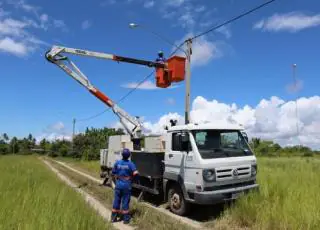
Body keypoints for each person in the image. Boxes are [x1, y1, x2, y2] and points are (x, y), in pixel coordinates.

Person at [110, 148, 139, 224]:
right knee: (125, 201)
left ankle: (113, 218)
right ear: (129, 155)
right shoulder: (130, 164)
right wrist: (134, 180)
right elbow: (135, 173)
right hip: (127, 185)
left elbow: (112, 173)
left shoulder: (117, 163)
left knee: (116, 200)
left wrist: (116, 180)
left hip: (118, 184)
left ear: (122, 155)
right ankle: (126, 219)